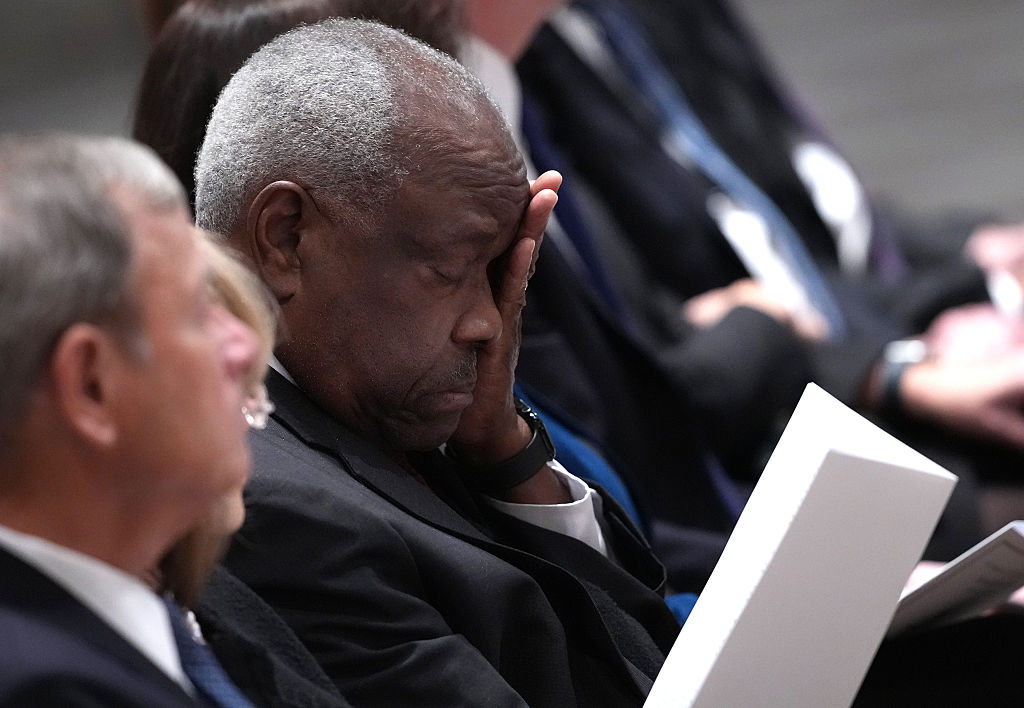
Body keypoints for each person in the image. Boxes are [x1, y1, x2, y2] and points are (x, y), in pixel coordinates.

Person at [194, 18, 683, 706]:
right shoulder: (270, 508)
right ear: (286, 236)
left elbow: (648, 649)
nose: (489, 322)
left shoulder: (377, 405)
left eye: (500, 275)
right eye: (452, 269)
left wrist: (504, 458)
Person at [0, 133, 259, 706]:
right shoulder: (46, 689)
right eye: (199, 312)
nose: (242, 345)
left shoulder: (90, 627)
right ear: (92, 385)